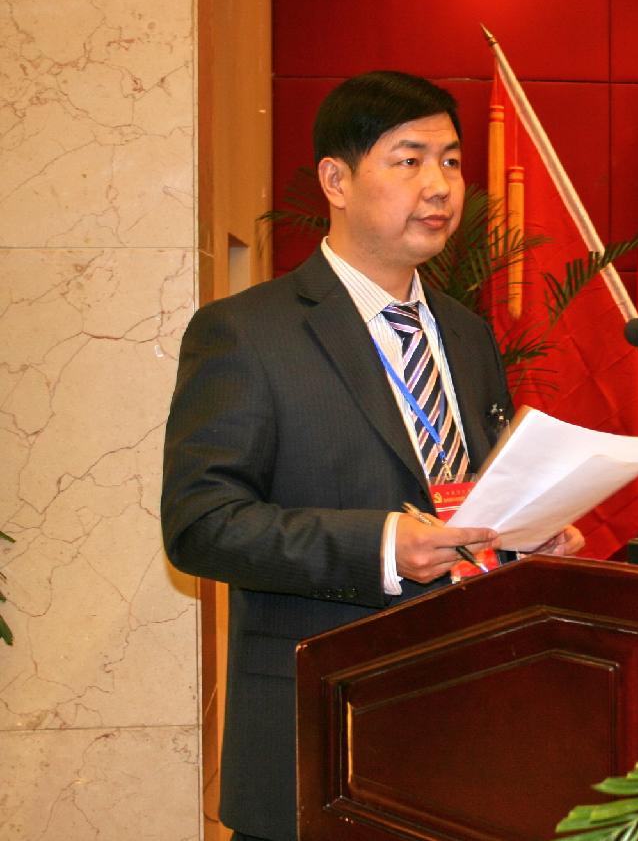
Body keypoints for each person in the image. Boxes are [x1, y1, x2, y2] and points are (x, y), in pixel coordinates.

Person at [161, 71, 583, 841]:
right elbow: (201, 523)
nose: (440, 185)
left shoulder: (467, 334)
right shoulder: (248, 333)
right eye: (409, 159)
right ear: (336, 180)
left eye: (450, 161)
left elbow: (472, 499)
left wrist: (526, 537)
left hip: (470, 730)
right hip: (321, 736)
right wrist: (384, 546)